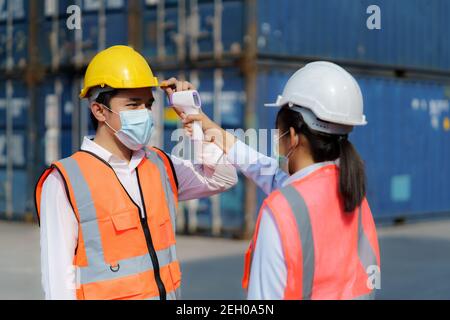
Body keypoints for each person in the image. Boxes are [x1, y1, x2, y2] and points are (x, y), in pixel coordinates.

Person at [34, 45, 238, 300]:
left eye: (147, 105)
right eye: (133, 105)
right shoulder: (65, 180)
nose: (144, 113)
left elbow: (224, 177)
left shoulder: (161, 165)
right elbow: (58, 283)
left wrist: (193, 115)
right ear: (99, 110)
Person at [181, 61, 381, 299]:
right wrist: (206, 125)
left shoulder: (282, 211)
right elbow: (260, 167)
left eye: (278, 133)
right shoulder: (353, 193)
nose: (276, 141)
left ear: (293, 137)